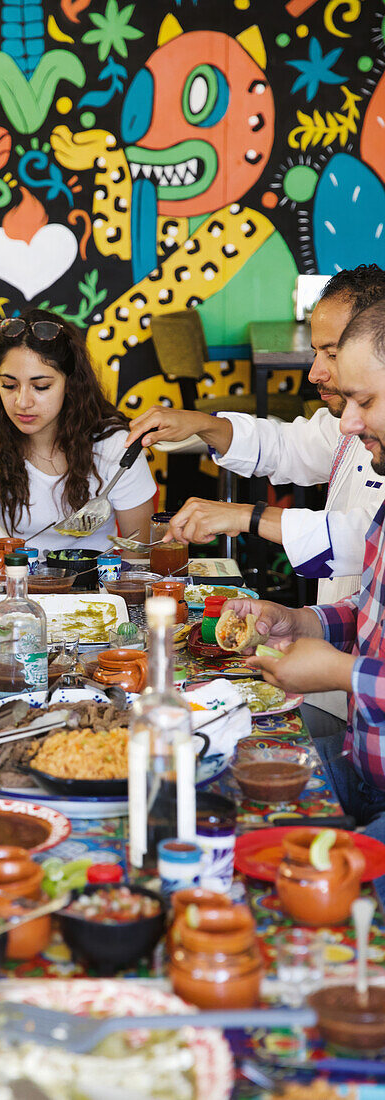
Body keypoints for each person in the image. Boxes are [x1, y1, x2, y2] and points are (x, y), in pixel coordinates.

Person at [236, 298, 385, 904]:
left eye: (365, 402)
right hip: (364, 766)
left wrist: (343, 674)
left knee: (296, 901)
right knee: (221, 786)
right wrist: (299, 619)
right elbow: (366, 613)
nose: (346, 424)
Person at [124, 265, 385, 603]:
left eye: (332, 354)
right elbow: (288, 446)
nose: (314, 373)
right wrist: (203, 423)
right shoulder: (351, 424)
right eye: (315, 352)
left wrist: (248, 515)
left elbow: (366, 540)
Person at [0, 309, 157, 570]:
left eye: (41, 386)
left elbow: (139, 556)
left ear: (71, 383)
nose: (22, 402)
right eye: (9, 385)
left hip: (95, 591)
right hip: (12, 586)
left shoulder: (115, 443)